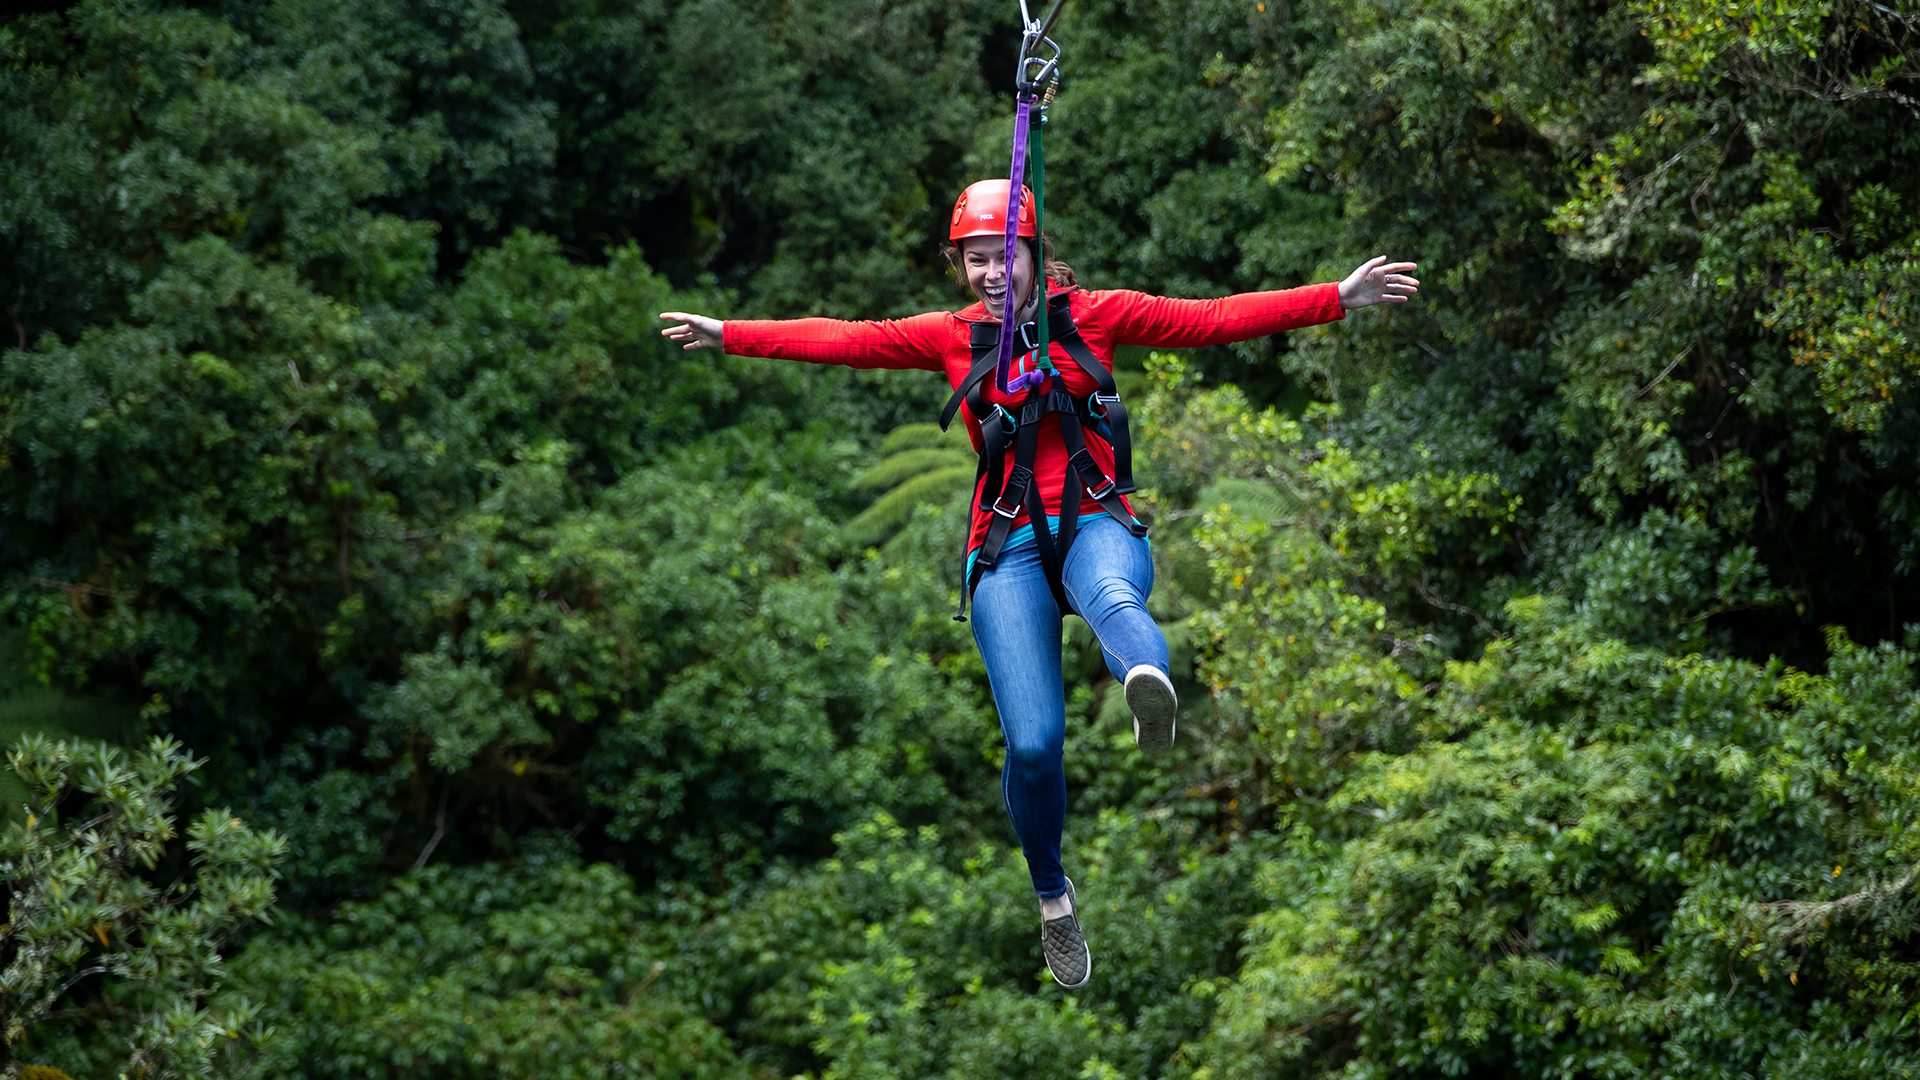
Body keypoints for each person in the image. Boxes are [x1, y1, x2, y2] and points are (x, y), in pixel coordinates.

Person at [660, 179, 1418, 989]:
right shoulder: (949, 337)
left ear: (1034, 256)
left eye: (1005, 257)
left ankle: (1142, 681)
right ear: (962, 266)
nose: (991, 273)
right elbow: (843, 339)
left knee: (1115, 600)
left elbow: (1214, 318)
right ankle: (1053, 896)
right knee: (1032, 744)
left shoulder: (1096, 313)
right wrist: (729, 333)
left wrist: (1337, 297)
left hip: (1095, 517)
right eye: (976, 260)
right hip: (1009, 545)